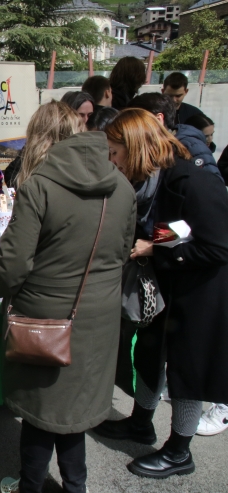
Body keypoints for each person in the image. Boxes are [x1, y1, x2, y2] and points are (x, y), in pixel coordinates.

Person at [0, 101, 136, 493]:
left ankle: (30, 486)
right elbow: (122, 254)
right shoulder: (121, 185)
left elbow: (12, 265)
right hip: (99, 316)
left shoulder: (40, 186)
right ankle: (75, 486)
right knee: (74, 409)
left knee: (42, 411)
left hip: (44, 318)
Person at [95, 108, 228, 478]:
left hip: (199, 292)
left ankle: (179, 451)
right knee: (150, 356)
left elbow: (217, 245)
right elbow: (173, 227)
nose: (112, 160)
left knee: (187, 372)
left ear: (136, 147)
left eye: (115, 152)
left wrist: (154, 248)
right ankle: (141, 422)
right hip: (164, 286)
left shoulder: (193, 180)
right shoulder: (150, 180)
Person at [127, 93, 221, 179]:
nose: (131, 127)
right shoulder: (156, 146)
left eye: (136, 121)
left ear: (158, 119)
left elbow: (213, 188)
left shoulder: (191, 147)